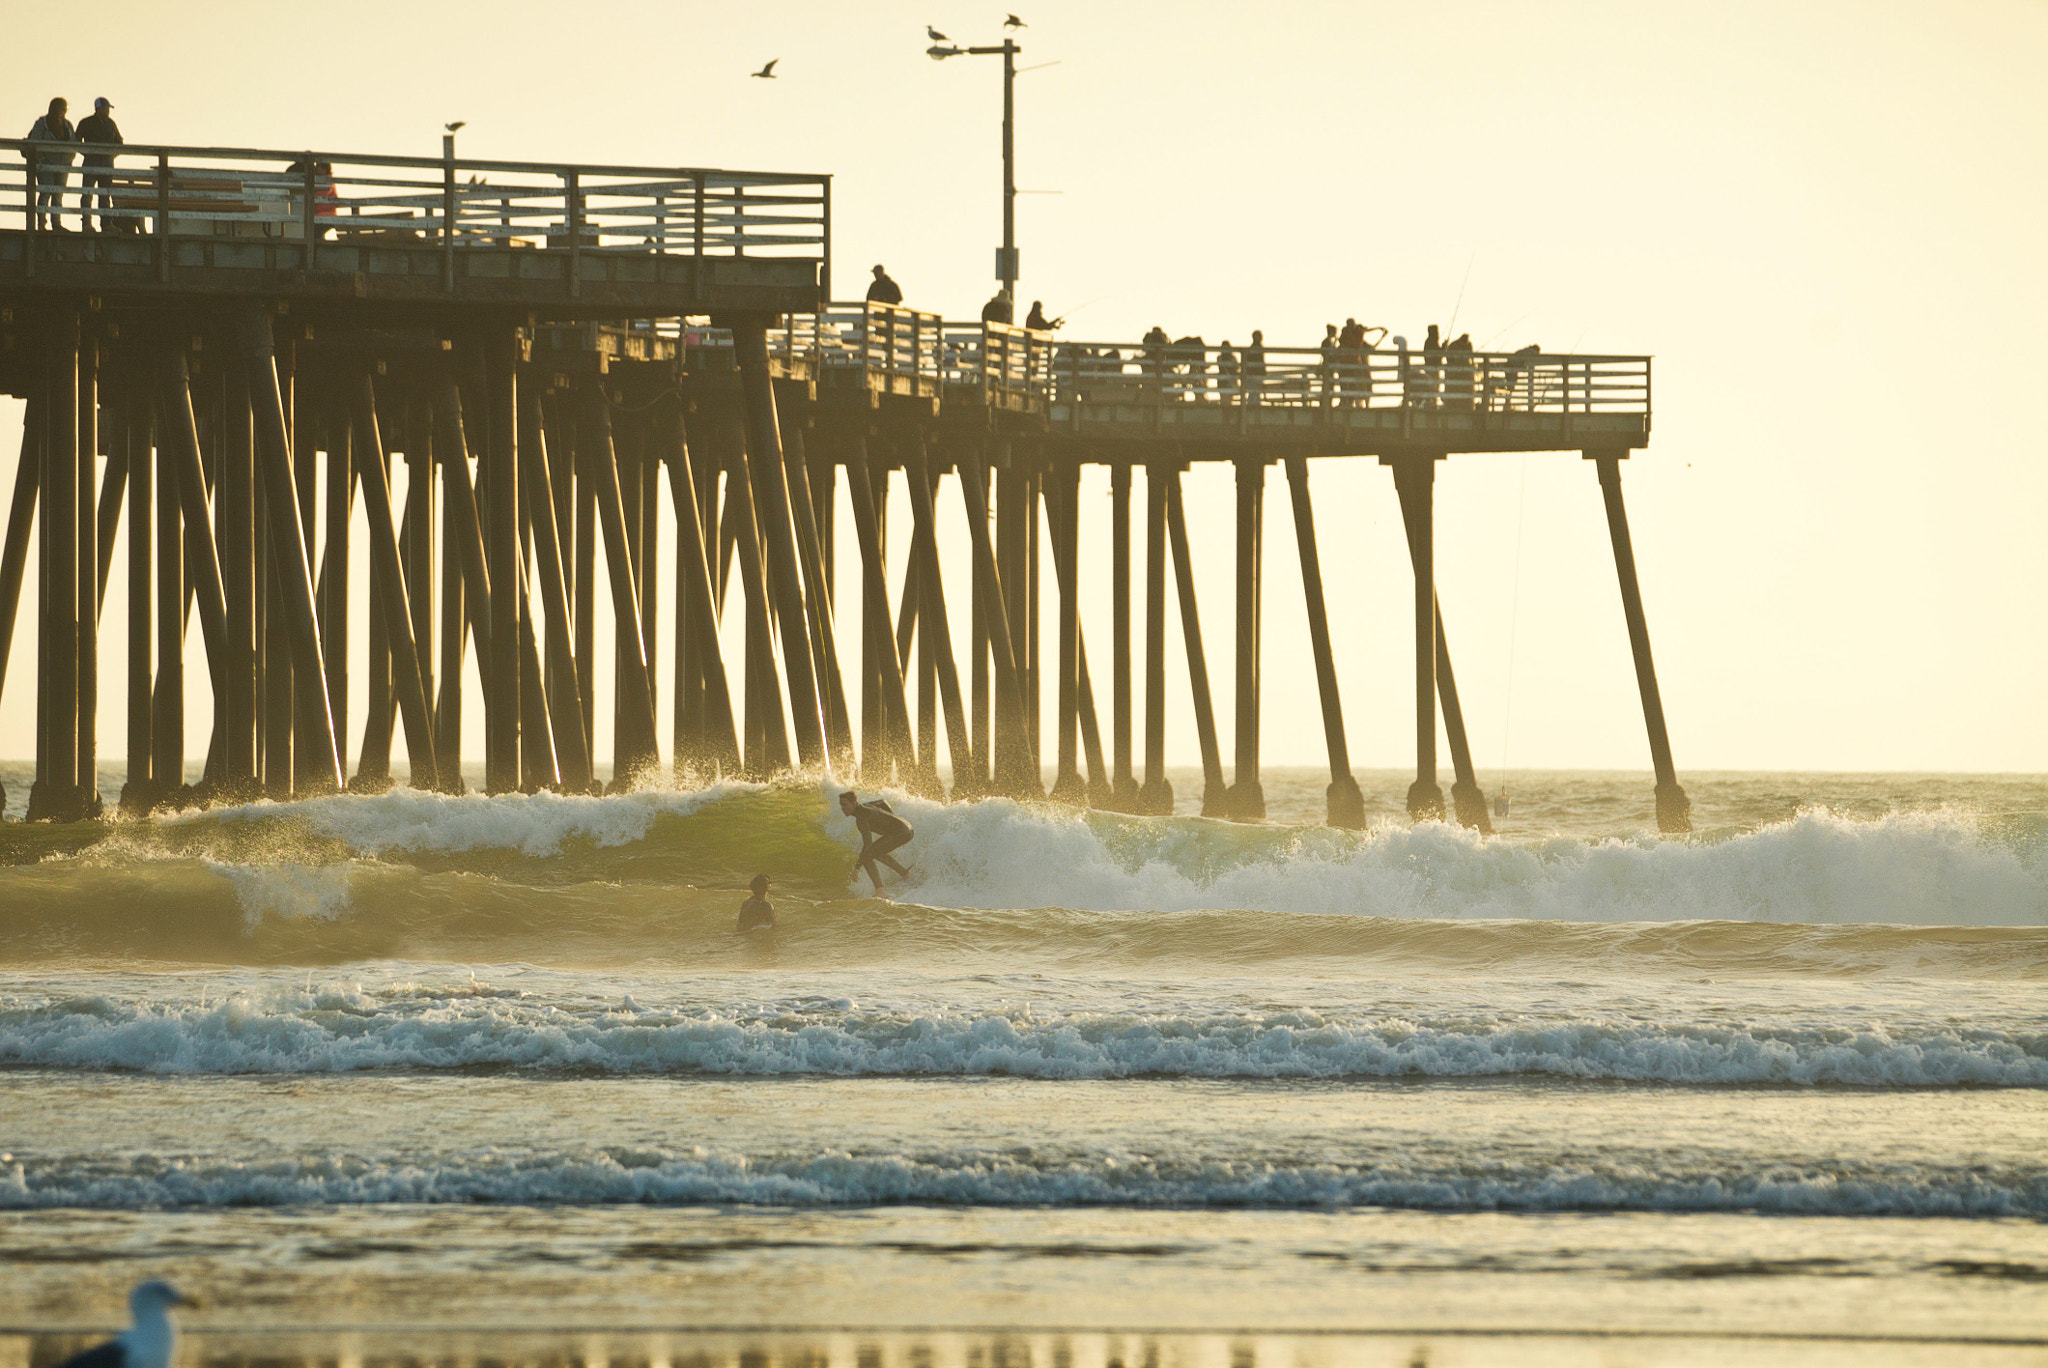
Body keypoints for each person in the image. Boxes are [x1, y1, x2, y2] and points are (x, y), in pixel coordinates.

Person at [839, 789, 913, 895]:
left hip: (901, 832)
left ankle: (880, 891)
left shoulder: (861, 818)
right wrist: (891, 817)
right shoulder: (866, 805)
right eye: (841, 805)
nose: (843, 808)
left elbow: (867, 844)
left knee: (867, 856)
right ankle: (906, 874)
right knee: (876, 852)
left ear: (854, 803)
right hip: (908, 828)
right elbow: (883, 802)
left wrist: (857, 867)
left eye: (845, 804)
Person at [24, 97, 75, 230]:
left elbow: (73, 144)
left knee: (58, 195)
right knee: (45, 192)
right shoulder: (42, 123)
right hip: (45, 164)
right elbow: (35, 142)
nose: (63, 112)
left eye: (65, 109)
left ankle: (56, 223)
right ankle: (41, 223)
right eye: (62, 109)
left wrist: (69, 160)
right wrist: (41, 159)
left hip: (63, 165)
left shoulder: (67, 125)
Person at [76, 97, 123, 233]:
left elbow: (119, 142)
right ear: (98, 109)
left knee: (105, 195)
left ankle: (106, 224)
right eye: (106, 108)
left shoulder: (110, 124)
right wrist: (88, 153)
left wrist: (112, 154)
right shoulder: (86, 123)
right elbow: (76, 142)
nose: (108, 111)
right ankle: (86, 224)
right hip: (91, 164)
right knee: (87, 194)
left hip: (107, 165)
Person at [1241, 330, 1267, 406]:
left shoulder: (1253, 348)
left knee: (1253, 392)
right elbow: (1259, 361)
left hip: (1253, 373)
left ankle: (1252, 404)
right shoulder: (1257, 347)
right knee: (1255, 392)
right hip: (1255, 373)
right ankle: (1254, 405)